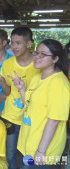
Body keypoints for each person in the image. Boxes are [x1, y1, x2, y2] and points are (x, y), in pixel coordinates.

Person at [14, 39, 69, 168]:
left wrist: (41, 151)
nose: (37, 57)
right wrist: (22, 89)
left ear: (55, 59)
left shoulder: (58, 84)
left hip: (43, 148)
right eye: (36, 52)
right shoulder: (37, 77)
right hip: (30, 141)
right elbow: (28, 105)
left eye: (43, 54)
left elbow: (54, 120)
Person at [0, 27, 40, 169]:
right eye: (12, 43)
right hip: (10, 116)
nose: (14, 46)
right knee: (10, 154)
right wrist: (2, 82)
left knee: (28, 156)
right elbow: (7, 92)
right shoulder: (8, 63)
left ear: (29, 44)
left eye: (18, 43)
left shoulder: (38, 65)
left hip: (30, 118)